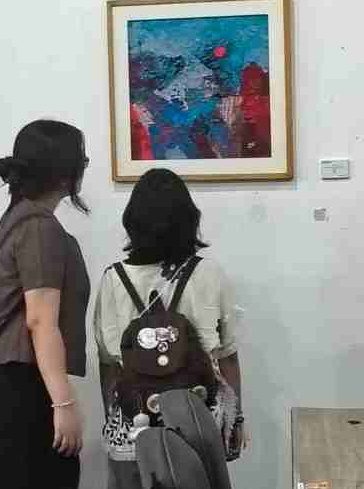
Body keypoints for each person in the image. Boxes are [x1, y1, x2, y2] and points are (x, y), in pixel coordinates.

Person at [94, 168, 247, 489]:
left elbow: (108, 362)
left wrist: (112, 416)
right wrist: (236, 421)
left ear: (133, 222)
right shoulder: (209, 273)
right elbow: (228, 356)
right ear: (189, 220)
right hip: (197, 418)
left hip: (134, 423)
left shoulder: (113, 278)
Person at [0, 119, 92, 489]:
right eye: (82, 160)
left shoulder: (17, 217)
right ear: (64, 173)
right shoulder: (39, 228)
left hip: (4, 376)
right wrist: (63, 403)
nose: (85, 166)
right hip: (20, 380)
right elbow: (40, 320)